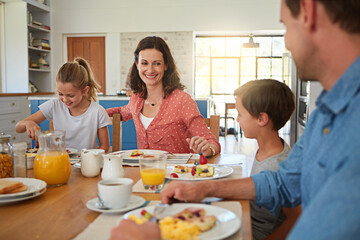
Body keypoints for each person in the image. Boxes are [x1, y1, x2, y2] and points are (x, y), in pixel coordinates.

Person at [111, 0, 360, 239]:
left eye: (285, 26)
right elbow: (283, 183)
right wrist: (205, 188)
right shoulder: (325, 113)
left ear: (309, 12)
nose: (286, 41)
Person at [106, 36, 220, 157]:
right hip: (144, 173)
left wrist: (209, 149)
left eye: (157, 64)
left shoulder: (182, 100)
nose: (150, 70)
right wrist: (93, 112)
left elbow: (212, 142)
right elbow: (122, 112)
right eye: (144, 63)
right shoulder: (136, 98)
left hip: (177, 173)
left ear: (166, 65)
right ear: (137, 65)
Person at [233, 79, 300, 240]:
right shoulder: (267, 150)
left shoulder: (279, 166)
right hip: (247, 221)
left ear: (262, 119)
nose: (237, 119)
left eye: (240, 114)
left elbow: (295, 218)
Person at [16, 57, 111, 152]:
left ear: (85, 91)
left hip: (86, 163)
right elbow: (18, 128)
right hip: (59, 160)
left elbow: (104, 147)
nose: (65, 100)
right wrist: (28, 123)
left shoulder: (97, 112)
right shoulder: (54, 105)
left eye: (70, 95)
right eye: (60, 94)